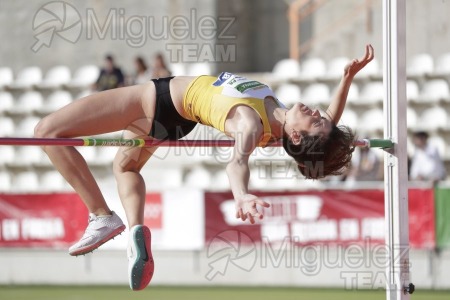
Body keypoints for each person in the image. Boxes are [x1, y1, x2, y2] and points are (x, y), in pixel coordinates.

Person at [34, 44, 374, 290]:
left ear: (298, 137)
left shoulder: (251, 124)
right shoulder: (280, 121)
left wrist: (241, 195)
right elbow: (331, 119)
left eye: (316, 122)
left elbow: (237, 162)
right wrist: (347, 78)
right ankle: (135, 232)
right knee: (126, 168)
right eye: (320, 116)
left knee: (47, 131)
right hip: (177, 119)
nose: (318, 113)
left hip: (158, 100)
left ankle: (101, 215)